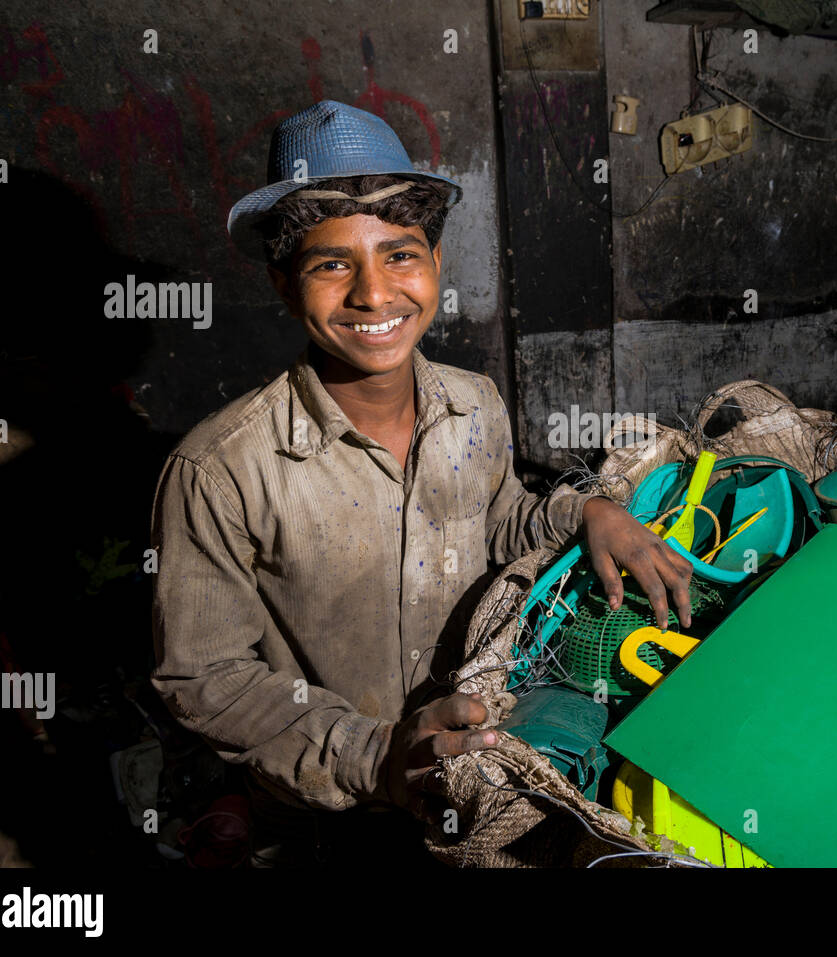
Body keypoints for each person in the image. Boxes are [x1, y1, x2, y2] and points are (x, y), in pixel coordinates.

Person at [150, 101, 693, 866]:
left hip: (484, 761)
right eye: (332, 263)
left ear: (436, 263)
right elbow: (205, 677)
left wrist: (588, 512)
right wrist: (376, 756)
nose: (374, 295)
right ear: (282, 283)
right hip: (333, 815)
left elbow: (500, 518)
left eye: (399, 255)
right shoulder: (221, 469)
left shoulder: (475, 403)